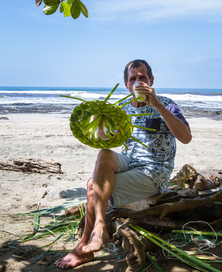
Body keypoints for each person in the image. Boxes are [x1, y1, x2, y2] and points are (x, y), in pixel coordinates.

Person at [54, 59, 192, 269]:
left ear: (151, 81)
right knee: (104, 154)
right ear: (127, 84)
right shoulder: (122, 110)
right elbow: (108, 141)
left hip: (154, 170)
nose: (137, 82)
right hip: (130, 162)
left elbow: (185, 137)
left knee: (92, 186)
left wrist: (156, 104)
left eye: (142, 78)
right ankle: (99, 228)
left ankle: (83, 246)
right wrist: (100, 130)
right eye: (133, 79)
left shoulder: (167, 103)